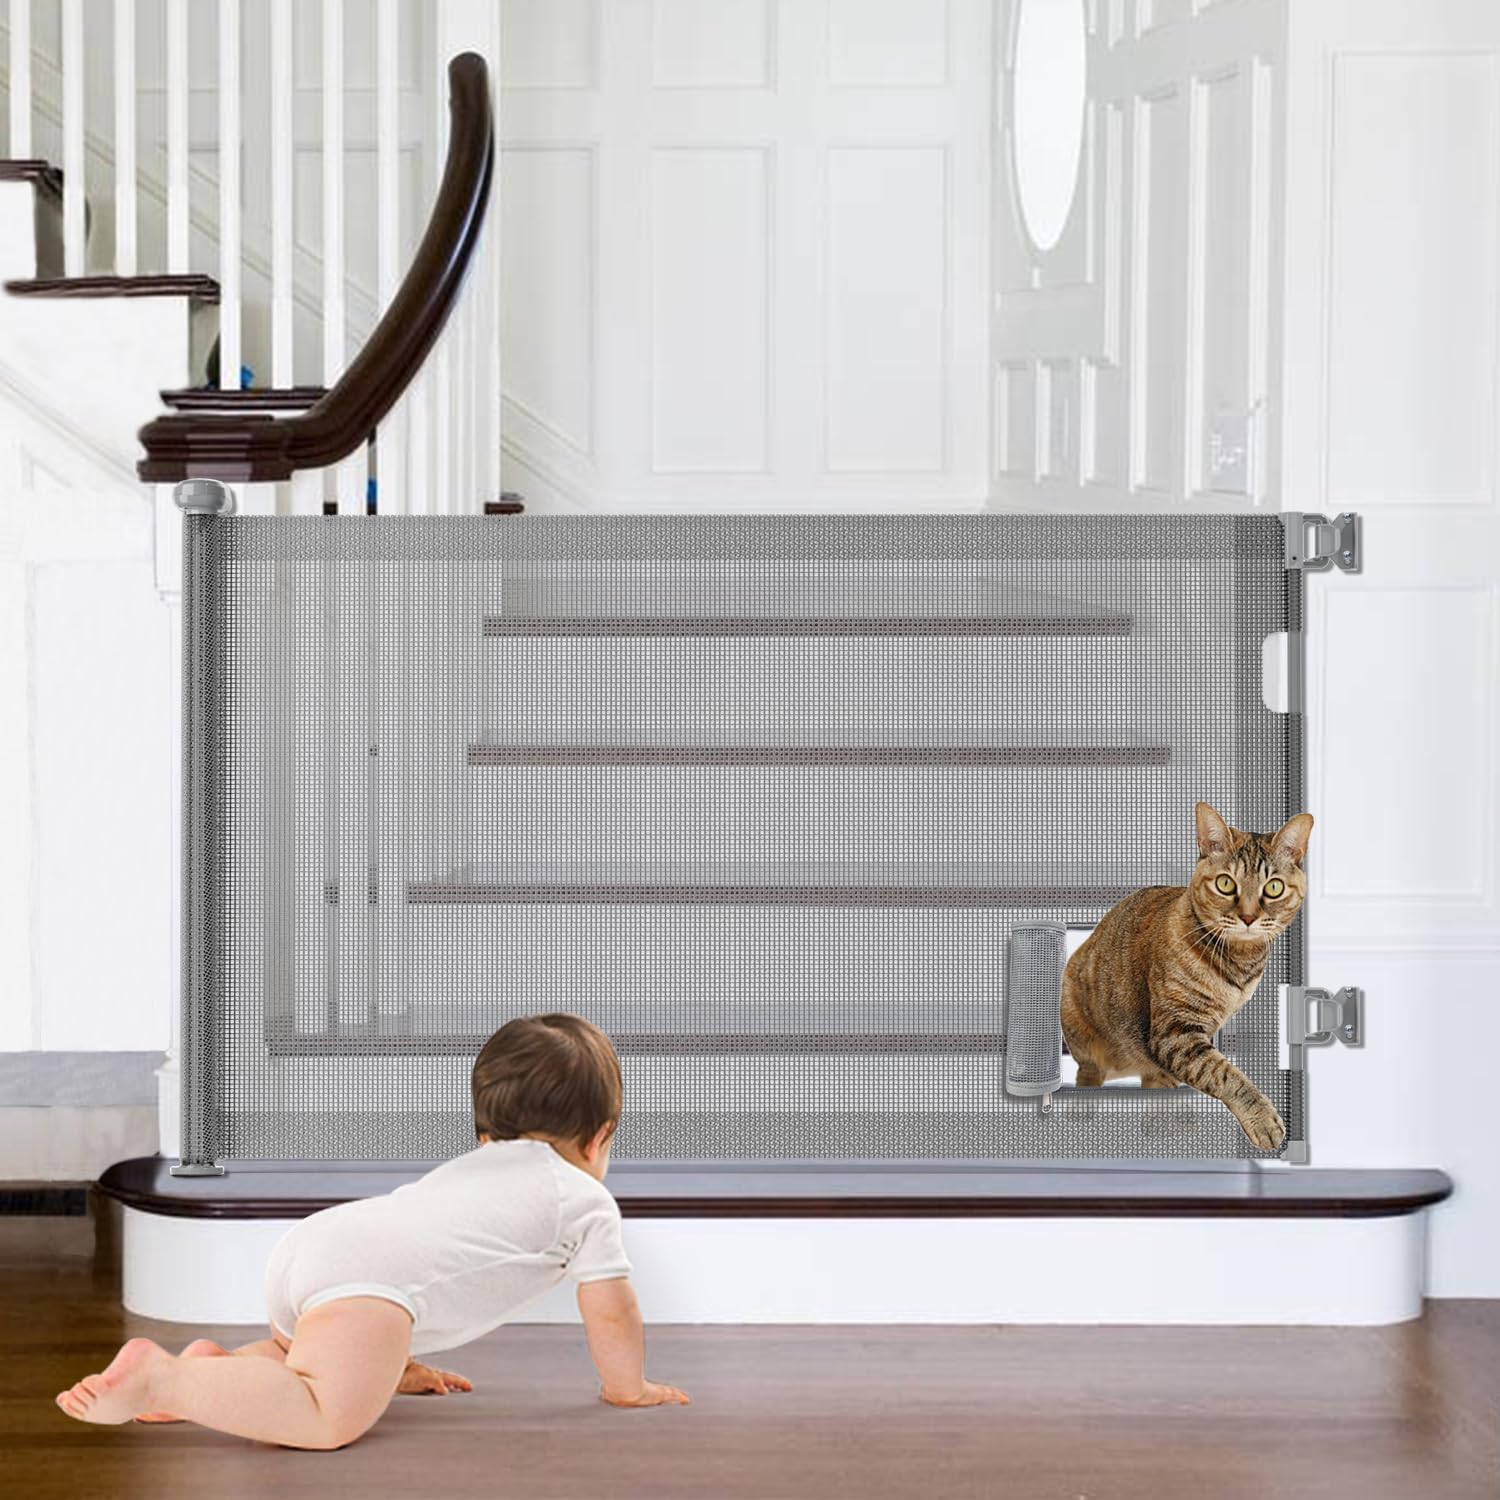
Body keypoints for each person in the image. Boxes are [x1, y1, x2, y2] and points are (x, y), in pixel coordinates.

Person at [55, 1013, 689, 1447]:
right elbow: (612, 1311)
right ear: (600, 1137)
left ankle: (214, 1371)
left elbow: (425, 1255)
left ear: (484, 1132)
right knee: (327, 1417)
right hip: (364, 1288)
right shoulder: (584, 1198)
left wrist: (393, 1365)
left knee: (296, 1358)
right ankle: (164, 1378)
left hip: (319, 1248)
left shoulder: (469, 1170)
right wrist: (626, 1388)